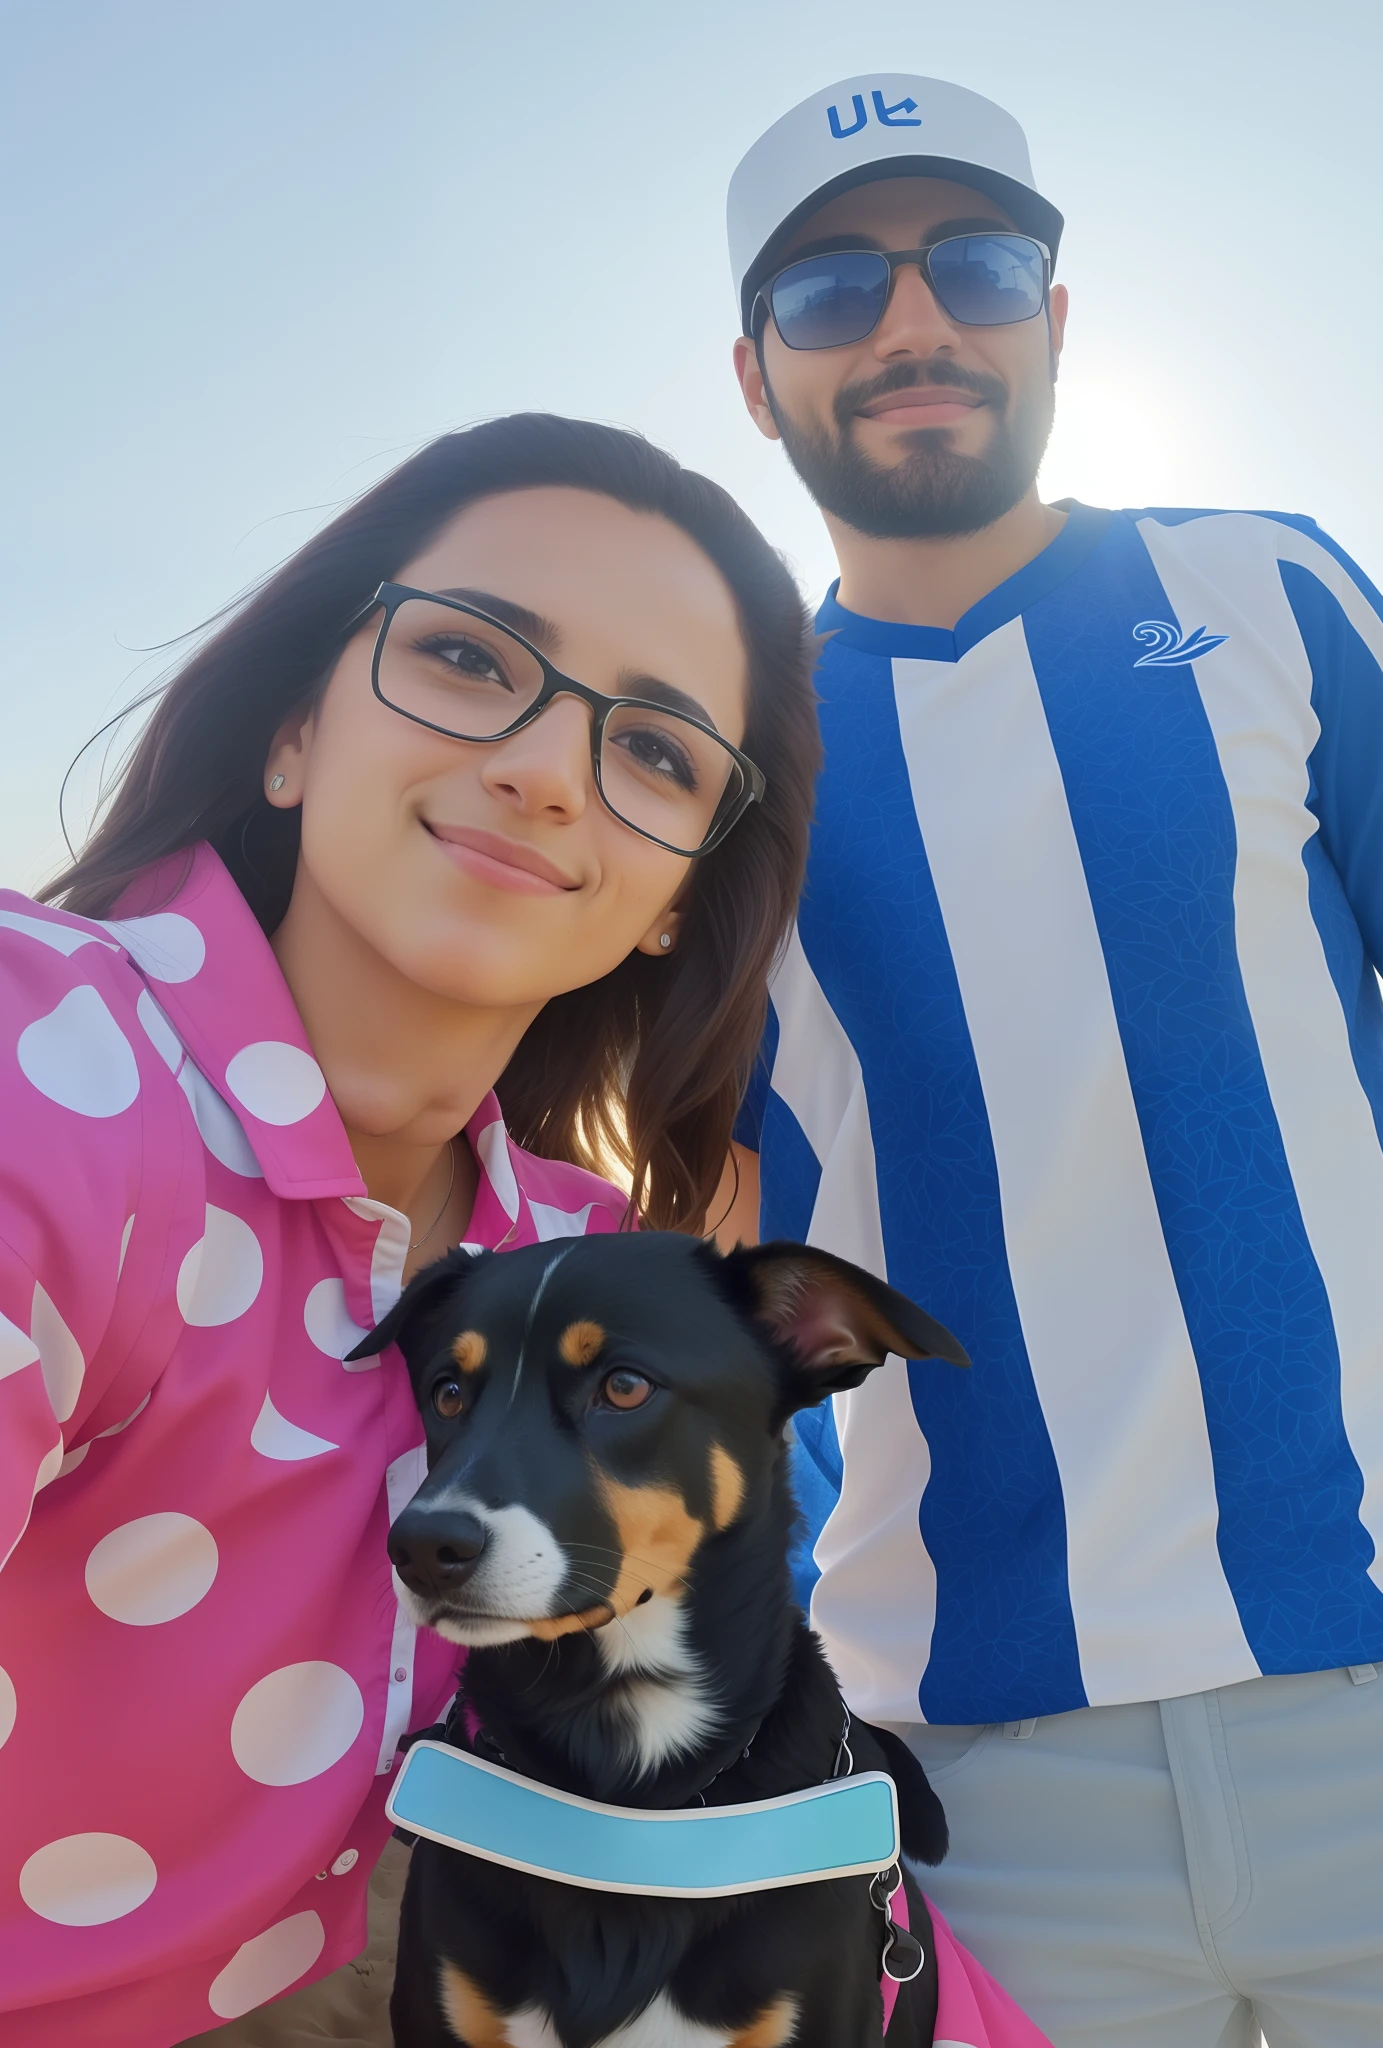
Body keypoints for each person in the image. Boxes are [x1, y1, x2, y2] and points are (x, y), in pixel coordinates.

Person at [723, 72, 1383, 2048]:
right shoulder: (720, 763)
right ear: (754, 378)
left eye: (973, 265)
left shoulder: (1272, 594)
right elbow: (709, 1246)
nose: (913, 323)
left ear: (1056, 320)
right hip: (973, 1791)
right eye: (832, 291)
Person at [0, 411, 819, 2047]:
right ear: (294, 731)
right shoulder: (47, 1068)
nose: (541, 765)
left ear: (674, 903)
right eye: (465, 657)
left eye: (657, 752)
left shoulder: (579, 1252)